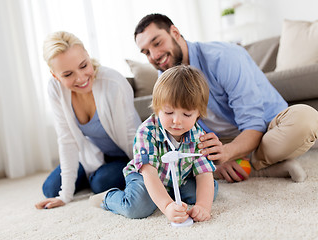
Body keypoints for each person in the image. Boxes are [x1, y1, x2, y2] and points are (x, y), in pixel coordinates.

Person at [133, 13, 318, 183]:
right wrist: (215, 156)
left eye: (157, 43)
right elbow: (180, 134)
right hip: (222, 142)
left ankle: (249, 164)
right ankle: (261, 166)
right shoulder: (165, 76)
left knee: (306, 120)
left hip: (265, 131)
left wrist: (226, 153)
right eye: (146, 52)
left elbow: (253, 124)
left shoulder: (223, 57)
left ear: (175, 32)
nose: (154, 56)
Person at [90, 65, 218, 223]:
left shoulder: (199, 136)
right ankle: (108, 198)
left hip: (178, 179)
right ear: (157, 109)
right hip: (145, 177)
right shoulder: (147, 132)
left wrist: (203, 207)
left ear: (199, 114)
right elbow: (149, 174)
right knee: (137, 207)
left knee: (210, 189)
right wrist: (167, 207)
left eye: (186, 114)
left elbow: (204, 174)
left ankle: (166, 195)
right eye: (169, 112)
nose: (177, 121)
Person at [35, 31, 141, 209]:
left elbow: (132, 136)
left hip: (124, 155)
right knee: (51, 189)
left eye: (84, 66)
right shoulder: (55, 89)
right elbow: (66, 139)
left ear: (88, 57)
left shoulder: (113, 83)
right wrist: (65, 195)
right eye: (68, 74)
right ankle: (92, 174)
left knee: (101, 183)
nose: (81, 78)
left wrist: (147, 176)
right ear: (55, 76)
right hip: (92, 154)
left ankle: (96, 177)